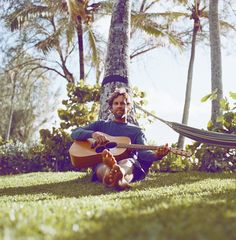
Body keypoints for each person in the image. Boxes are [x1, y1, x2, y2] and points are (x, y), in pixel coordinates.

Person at [71, 88, 169, 190]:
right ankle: (114, 176)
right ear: (111, 108)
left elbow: (143, 152)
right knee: (102, 166)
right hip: (103, 163)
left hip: (128, 164)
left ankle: (116, 174)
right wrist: (93, 134)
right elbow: (75, 133)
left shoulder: (136, 131)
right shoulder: (100, 125)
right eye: (116, 103)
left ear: (129, 107)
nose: (119, 106)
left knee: (128, 163)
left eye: (122, 103)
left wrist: (157, 155)